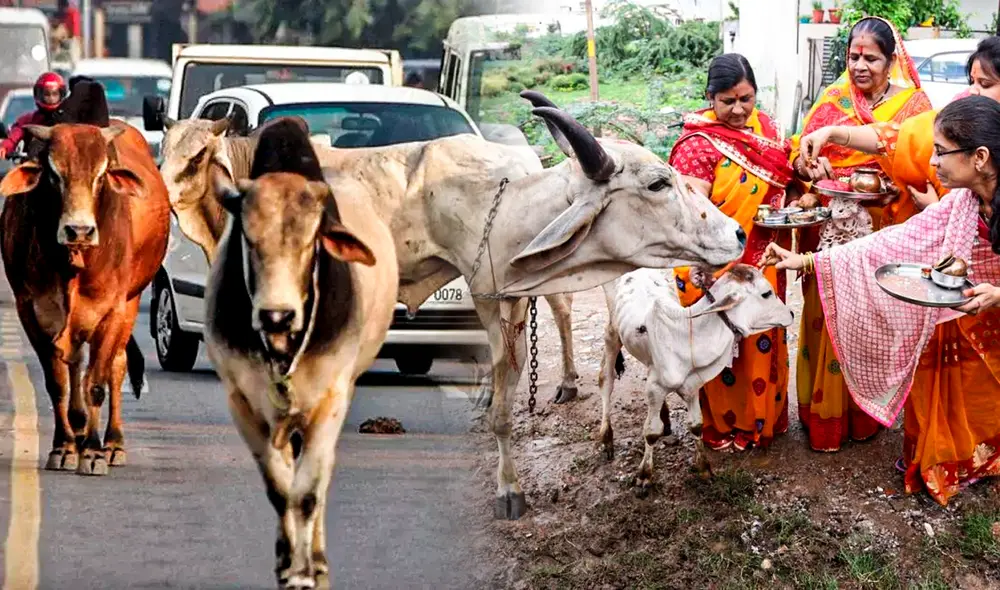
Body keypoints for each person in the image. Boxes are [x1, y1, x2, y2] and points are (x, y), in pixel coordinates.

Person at [791, 38, 1000, 504]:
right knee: (943, 365)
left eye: (987, 84)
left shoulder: (945, 132)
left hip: (976, 281)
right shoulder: (965, 196)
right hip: (941, 251)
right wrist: (809, 260)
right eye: (971, 82)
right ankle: (949, 456)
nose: (974, 93)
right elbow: (896, 141)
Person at [789, 16, 933, 453]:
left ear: (892, 61)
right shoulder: (833, 98)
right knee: (827, 317)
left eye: (871, 57)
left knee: (872, 322)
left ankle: (865, 417)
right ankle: (824, 418)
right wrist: (810, 166)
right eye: (854, 56)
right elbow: (798, 155)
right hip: (835, 232)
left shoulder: (914, 106)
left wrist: (891, 188)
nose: (860, 65)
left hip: (885, 230)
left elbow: (926, 167)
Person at [667, 53, 798, 452]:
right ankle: (724, 426)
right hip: (713, 267)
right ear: (710, 98)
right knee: (721, 350)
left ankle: (762, 422)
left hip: (764, 258)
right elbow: (691, 215)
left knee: (761, 342)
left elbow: (788, 176)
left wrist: (795, 201)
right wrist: (707, 268)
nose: (739, 110)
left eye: (746, 98)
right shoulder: (697, 145)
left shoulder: (768, 128)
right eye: (728, 101)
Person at [0, 71, 69, 160]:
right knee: (15, 174)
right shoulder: (28, 120)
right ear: (39, 95)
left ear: (61, 95)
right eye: (47, 94)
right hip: (35, 165)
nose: (51, 98)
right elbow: (14, 136)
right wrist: (5, 146)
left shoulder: (69, 119)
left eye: (55, 94)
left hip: (64, 167)